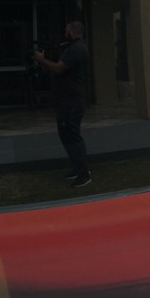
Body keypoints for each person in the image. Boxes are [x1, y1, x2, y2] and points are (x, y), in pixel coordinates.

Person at [33, 21, 92, 188]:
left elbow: (59, 68)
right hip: (66, 100)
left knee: (72, 135)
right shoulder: (72, 48)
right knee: (65, 134)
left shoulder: (77, 49)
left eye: (67, 31)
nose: (65, 33)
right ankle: (77, 168)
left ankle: (84, 174)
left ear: (73, 32)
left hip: (72, 101)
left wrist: (41, 60)